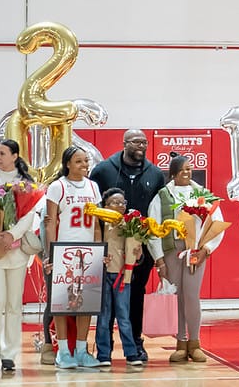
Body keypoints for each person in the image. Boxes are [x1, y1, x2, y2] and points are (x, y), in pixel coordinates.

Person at [89, 129, 165, 362]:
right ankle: (105, 348)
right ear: (124, 144)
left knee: (135, 296)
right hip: (108, 250)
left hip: (137, 249)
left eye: (145, 142)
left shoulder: (155, 173)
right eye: (136, 142)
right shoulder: (102, 170)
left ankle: (135, 344)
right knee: (106, 303)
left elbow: (157, 210)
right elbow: (93, 207)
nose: (141, 146)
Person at [147, 153, 225, 363]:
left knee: (191, 296)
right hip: (172, 250)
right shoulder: (163, 196)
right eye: (182, 170)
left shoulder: (203, 194)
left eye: (189, 169)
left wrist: (205, 249)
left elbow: (217, 224)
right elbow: (153, 229)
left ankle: (195, 342)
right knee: (177, 297)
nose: (187, 173)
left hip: (195, 251)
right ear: (173, 173)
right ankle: (180, 343)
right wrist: (159, 259)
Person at [0, 139, 41, 372]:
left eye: (2, 153)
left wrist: (11, 234)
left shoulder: (26, 186)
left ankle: (9, 353)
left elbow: (29, 217)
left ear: (15, 155)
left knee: (14, 303)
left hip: (16, 252)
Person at [43, 146, 102, 369]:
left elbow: (96, 223)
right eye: (79, 161)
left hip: (88, 252)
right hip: (64, 251)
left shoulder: (93, 186)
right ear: (67, 164)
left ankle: (81, 350)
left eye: (86, 161)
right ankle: (63, 352)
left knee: (86, 303)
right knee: (62, 303)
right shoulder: (57, 187)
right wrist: (51, 254)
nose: (84, 165)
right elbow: (50, 224)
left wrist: (98, 251)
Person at [94, 187, 145, 367]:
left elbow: (137, 255)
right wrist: (100, 257)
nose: (119, 206)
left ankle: (131, 353)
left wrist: (137, 255)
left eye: (122, 203)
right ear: (105, 205)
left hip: (123, 276)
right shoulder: (99, 222)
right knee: (104, 316)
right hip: (104, 274)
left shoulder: (131, 224)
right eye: (114, 203)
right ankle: (103, 354)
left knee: (124, 316)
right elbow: (93, 247)